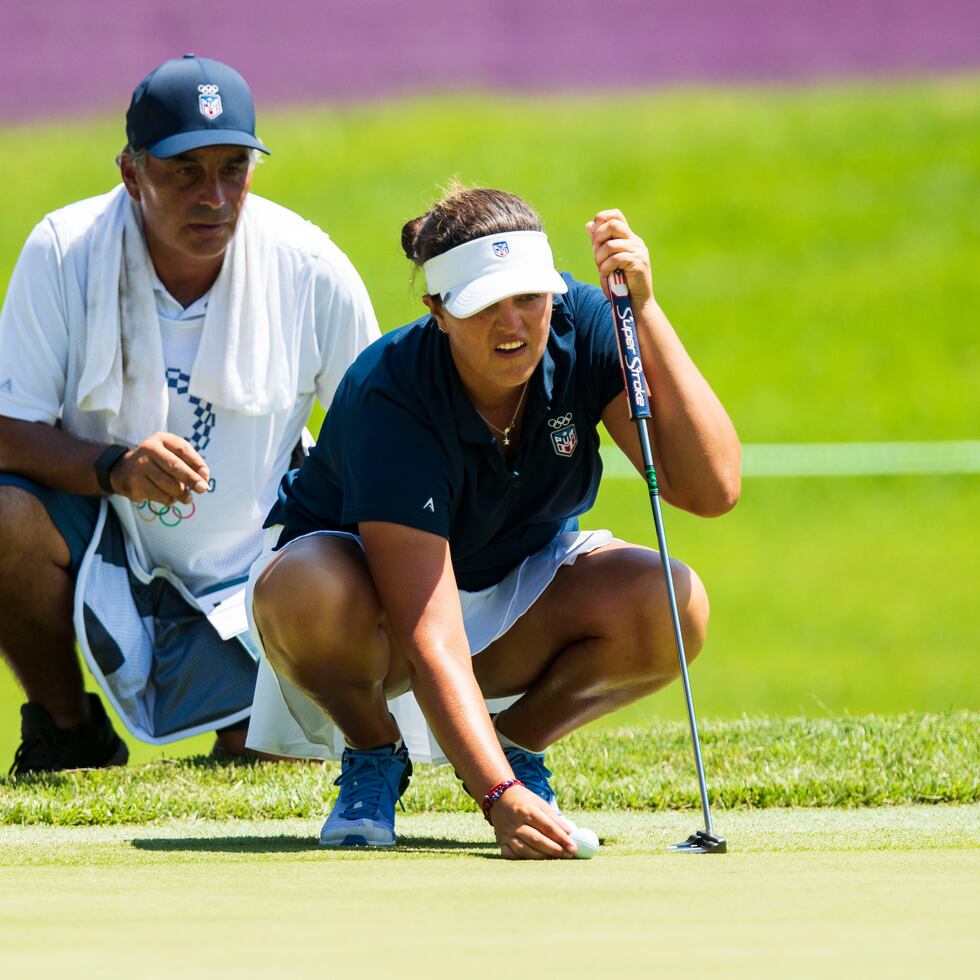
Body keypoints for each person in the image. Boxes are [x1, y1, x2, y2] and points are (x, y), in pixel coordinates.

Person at [245, 186, 740, 858]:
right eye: (484, 304)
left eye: (529, 298)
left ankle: (519, 741)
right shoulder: (392, 393)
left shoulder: (586, 326)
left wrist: (645, 314)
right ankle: (373, 754)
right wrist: (498, 799)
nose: (514, 324)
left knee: (673, 603)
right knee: (306, 589)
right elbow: (430, 638)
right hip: (371, 617)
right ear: (438, 310)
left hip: (515, 585)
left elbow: (711, 488)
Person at [0, 55, 379, 774]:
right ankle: (67, 732)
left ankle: (260, 698)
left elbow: (388, 434)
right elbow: (6, 429)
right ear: (130, 172)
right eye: (184, 171)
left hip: (261, 564)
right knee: (2, 517)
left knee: (261, 756)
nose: (214, 196)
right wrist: (115, 468)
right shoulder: (62, 250)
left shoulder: (309, 266)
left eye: (233, 168)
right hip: (105, 535)